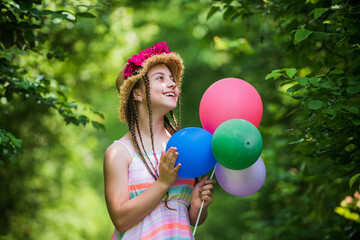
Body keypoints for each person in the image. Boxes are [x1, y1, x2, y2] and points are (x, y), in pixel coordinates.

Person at [104, 41, 216, 240]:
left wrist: (199, 207)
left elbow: (187, 217)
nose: (172, 84)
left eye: (172, 79)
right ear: (137, 93)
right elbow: (120, 220)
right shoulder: (119, 152)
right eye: (160, 78)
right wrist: (162, 183)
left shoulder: (182, 145)